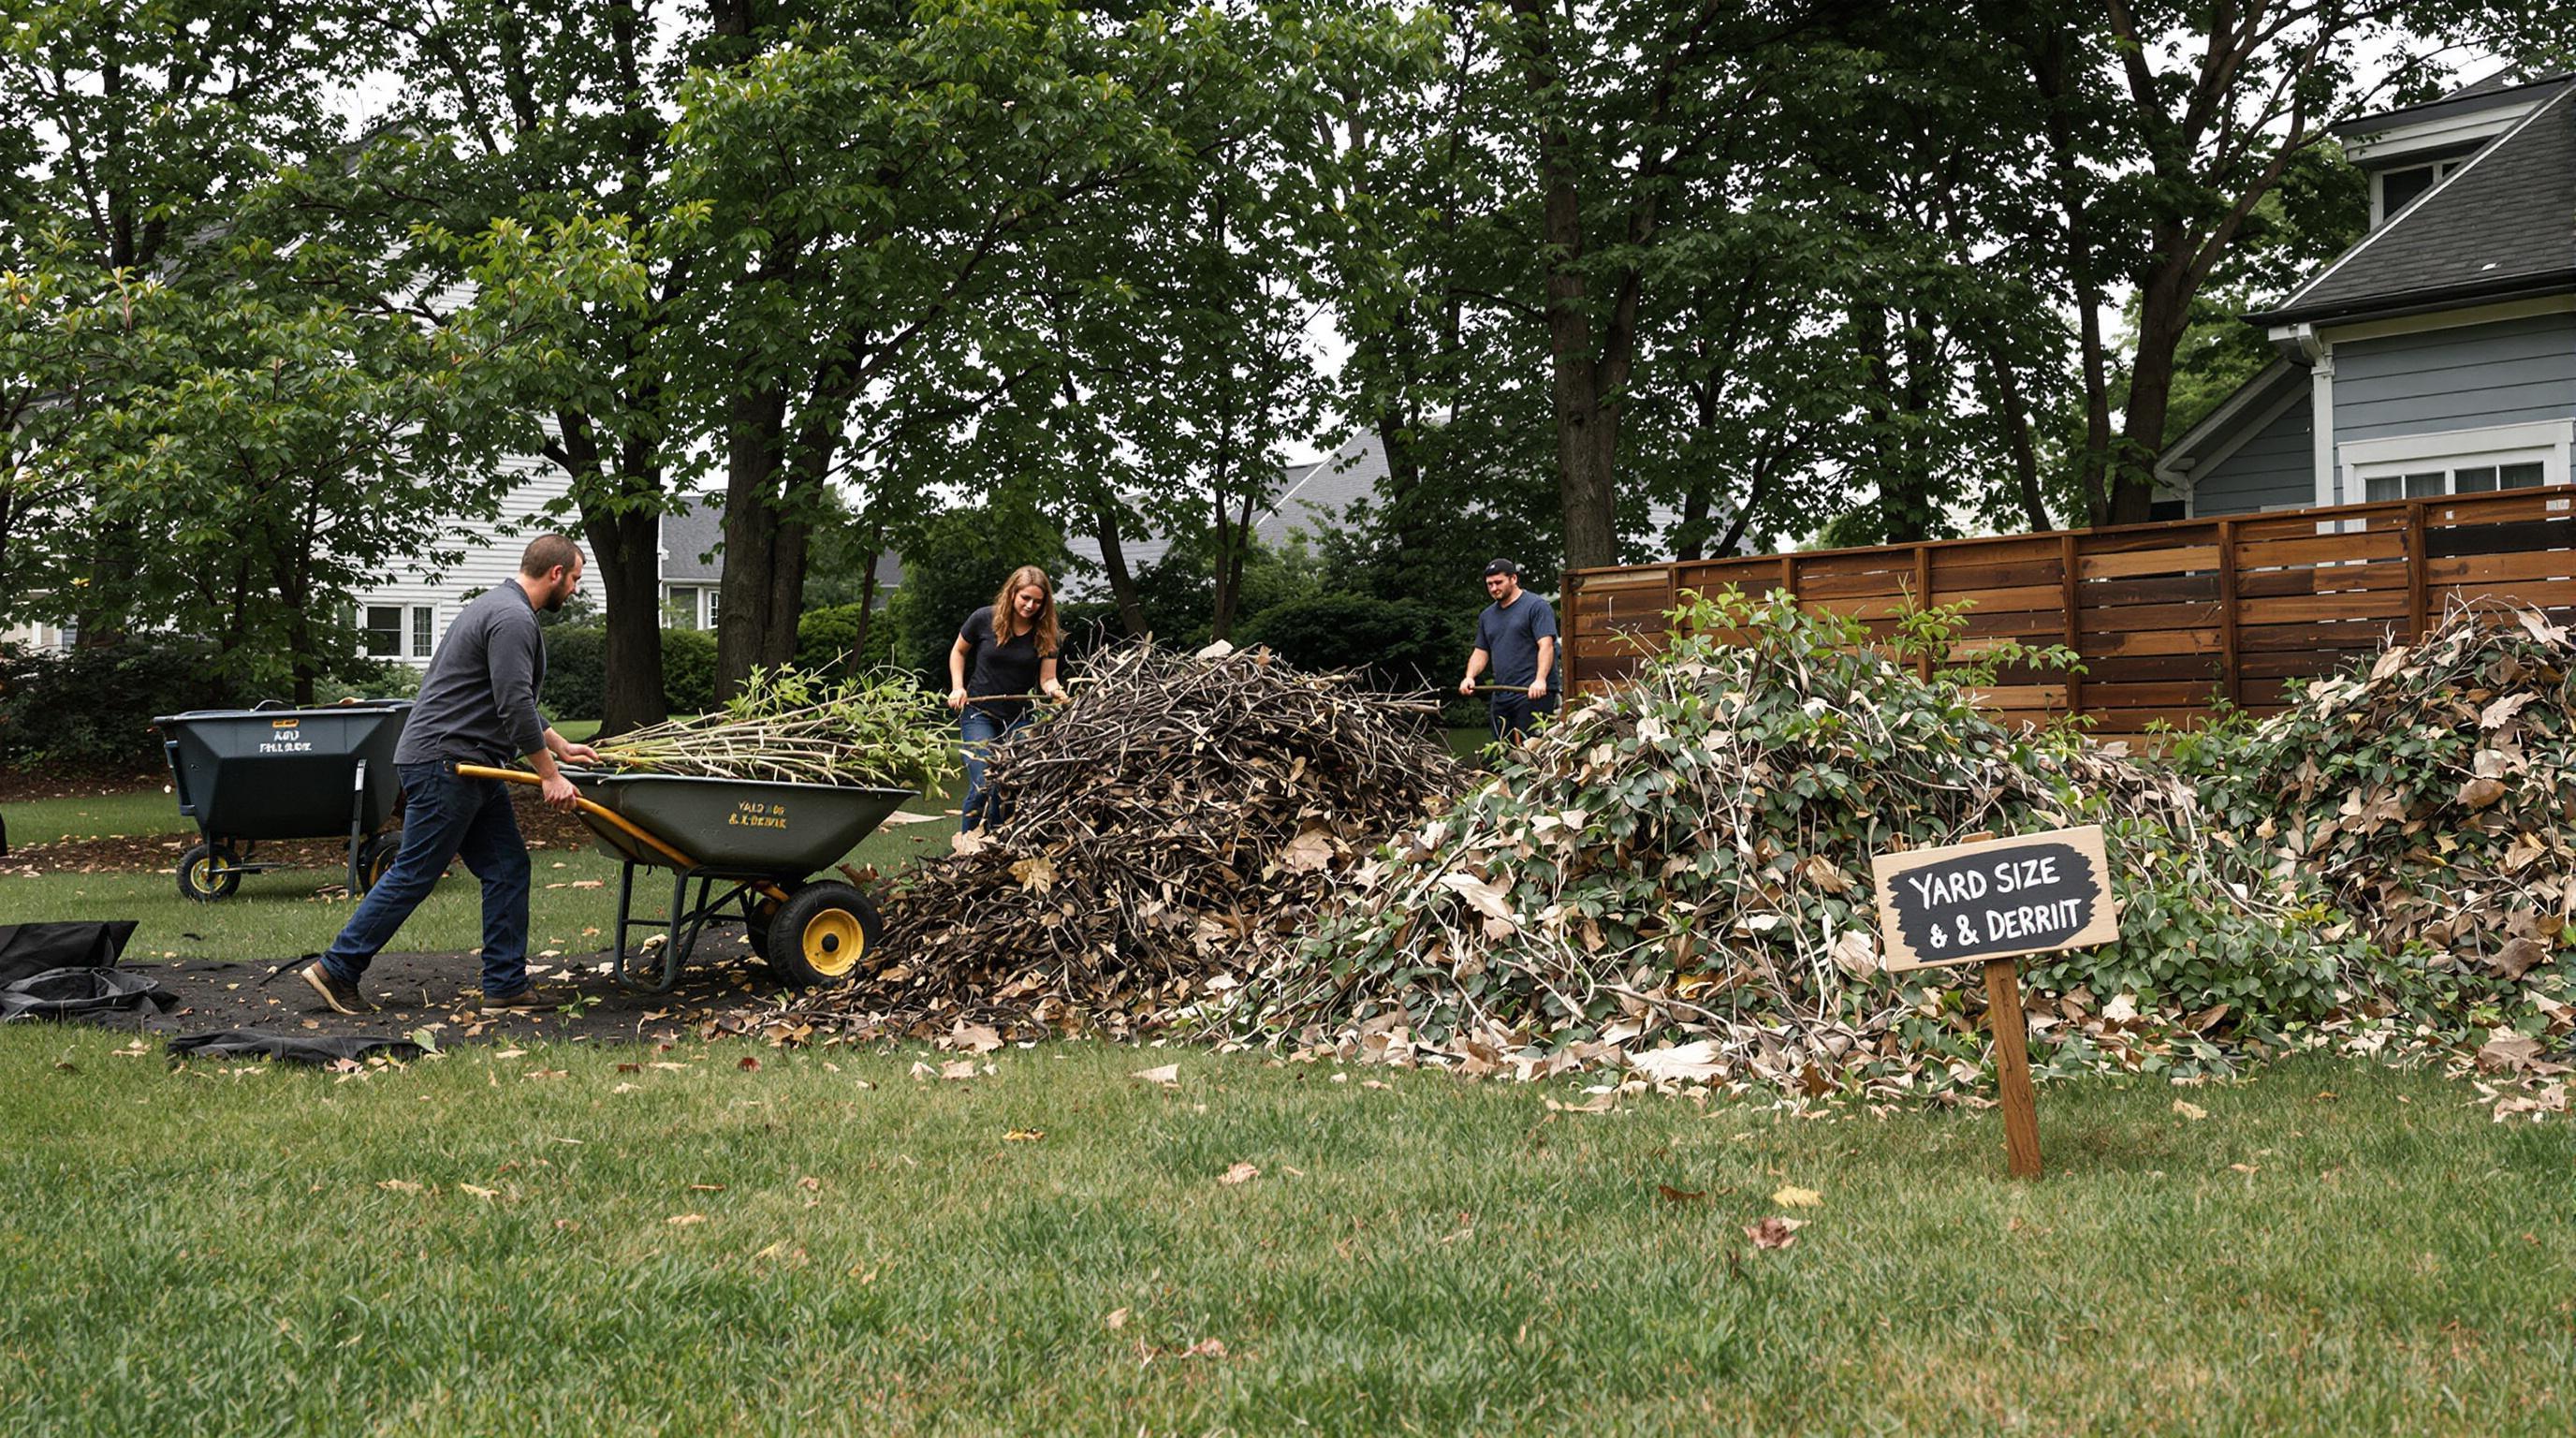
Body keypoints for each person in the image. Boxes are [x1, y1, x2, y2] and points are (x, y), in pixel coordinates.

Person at [300, 535, 600, 1017]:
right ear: (556, 573)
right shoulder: (512, 617)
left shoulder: (500, 607)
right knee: (416, 872)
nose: (577, 591)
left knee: (507, 868)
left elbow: (494, 693)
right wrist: (549, 774)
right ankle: (336, 969)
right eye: (577, 580)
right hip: (447, 765)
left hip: (470, 765)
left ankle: (504, 985)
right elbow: (512, 702)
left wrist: (560, 745)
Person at [947, 565, 1070, 832]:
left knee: (1008, 784)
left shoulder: (1048, 633)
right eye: (1025, 598)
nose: (1030, 605)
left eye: (1038, 601)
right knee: (984, 780)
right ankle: (966, 847)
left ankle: (995, 846)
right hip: (978, 712)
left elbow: (1047, 679)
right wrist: (958, 687)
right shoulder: (983, 619)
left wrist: (1057, 693)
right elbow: (958, 651)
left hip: (1017, 718)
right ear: (1012, 593)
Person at [1458, 557, 1559, 744]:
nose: (1494, 588)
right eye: (1489, 584)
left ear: (1513, 579)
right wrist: (1470, 676)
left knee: (1533, 751)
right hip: (1503, 693)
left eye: (1498, 582)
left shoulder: (1536, 607)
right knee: (1500, 752)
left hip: (1532, 692)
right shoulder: (1487, 616)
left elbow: (1546, 645)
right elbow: (1481, 651)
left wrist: (1540, 680)